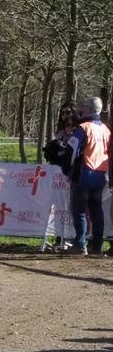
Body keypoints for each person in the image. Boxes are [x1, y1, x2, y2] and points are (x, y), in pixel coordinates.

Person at [65, 96, 110, 257]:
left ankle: (80, 244)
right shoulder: (106, 129)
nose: (81, 109)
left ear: (90, 109)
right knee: (96, 210)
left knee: (79, 211)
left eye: (83, 107)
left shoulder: (83, 128)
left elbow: (71, 153)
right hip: (100, 174)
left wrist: (67, 171)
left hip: (83, 173)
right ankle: (97, 247)